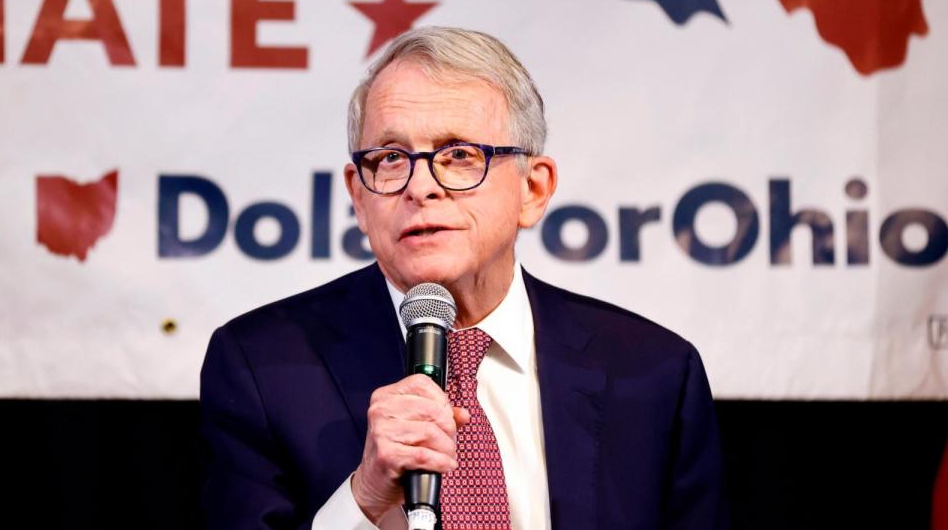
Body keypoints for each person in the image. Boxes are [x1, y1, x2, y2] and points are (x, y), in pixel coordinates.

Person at [200, 26, 726, 530]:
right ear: (359, 197)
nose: (421, 186)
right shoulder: (260, 368)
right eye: (390, 158)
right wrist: (362, 500)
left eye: (458, 155)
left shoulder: (653, 373)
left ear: (533, 189)